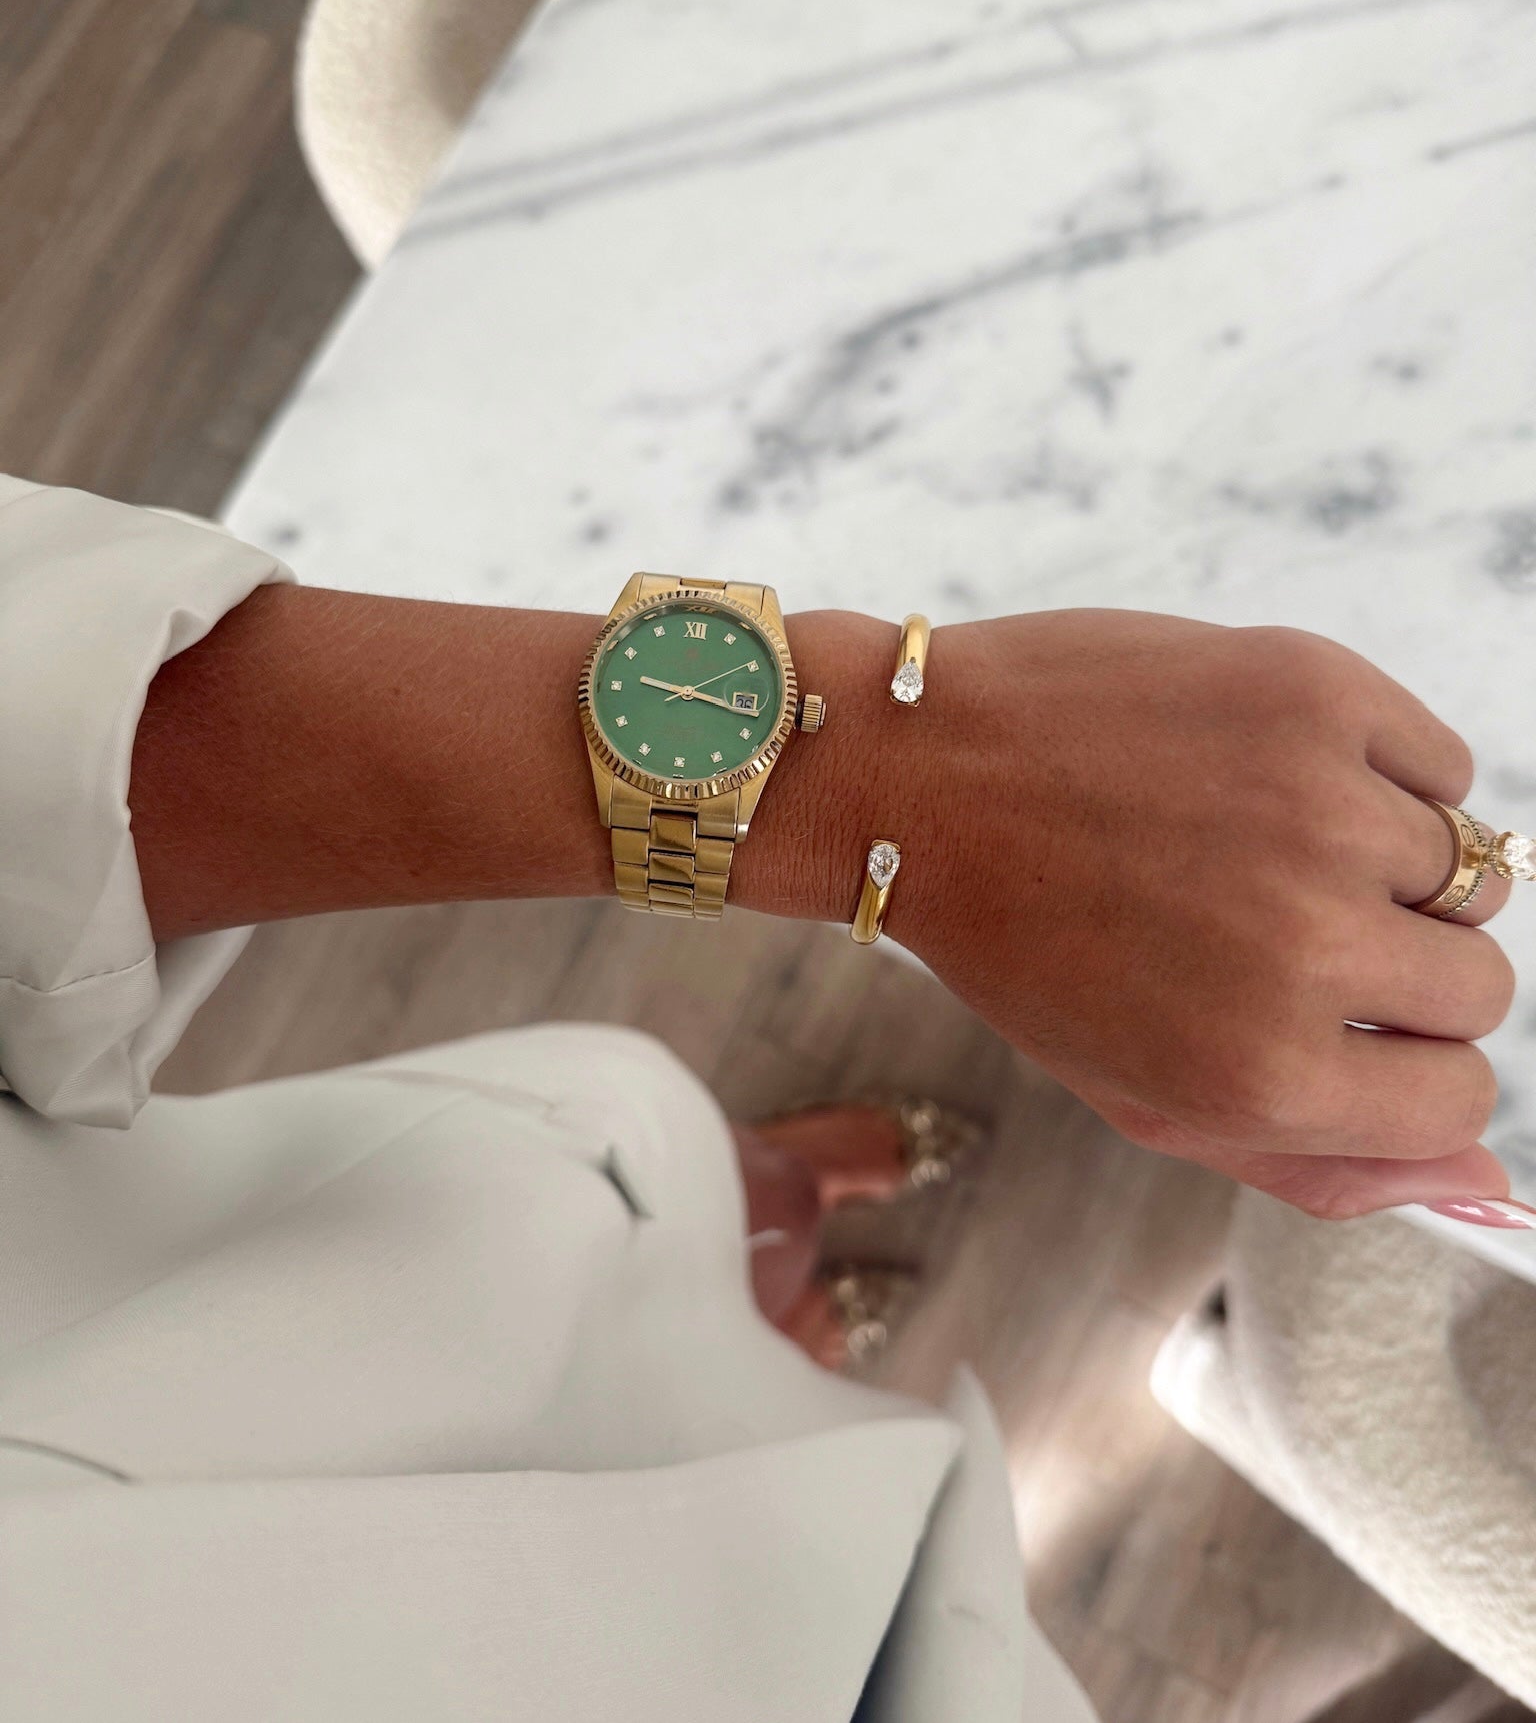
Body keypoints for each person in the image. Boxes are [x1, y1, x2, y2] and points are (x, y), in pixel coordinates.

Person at [0, 473, 1522, 1721]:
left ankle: (762, 1220)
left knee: (634, 1200)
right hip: (832, 1633)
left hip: (279, 1269)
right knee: (680, 1304)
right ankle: (768, 1302)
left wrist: (884, 778)